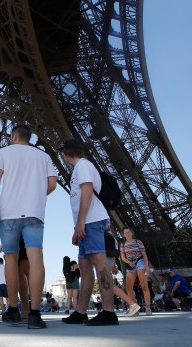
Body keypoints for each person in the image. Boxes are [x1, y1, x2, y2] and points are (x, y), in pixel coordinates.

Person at [0, 124, 58, 329]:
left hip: (9, 213)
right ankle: (35, 314)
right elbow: (52, 184)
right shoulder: (43, 156)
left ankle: (12, 310)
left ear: (14, 136)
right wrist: (35, 196)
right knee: (36, 257)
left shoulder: (4, 152)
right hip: (34, 212)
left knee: (11, 258)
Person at [60, 139, 118, 326]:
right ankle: (80, 312)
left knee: (100, 264)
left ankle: (109, 311)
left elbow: (87, 193)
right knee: (84, 267)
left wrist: (81, 223)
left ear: (67, 152)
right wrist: (77, 226)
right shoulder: (79, 168)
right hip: (86, 222)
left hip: (91, 221)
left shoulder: (83, 165)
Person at [119, 227, 152, 315]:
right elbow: (122, 257)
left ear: (131, 233)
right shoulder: (123, 244)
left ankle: (148, 308)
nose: (128, 234)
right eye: (126, 233)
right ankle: (135, 308)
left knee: (144, 285)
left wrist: (147, 266)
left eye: (129, 232)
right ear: (123, 235)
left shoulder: (138, 242)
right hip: (130, 264)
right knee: (128, 287)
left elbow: (144, 254)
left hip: (140, 262)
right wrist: (129, 262)